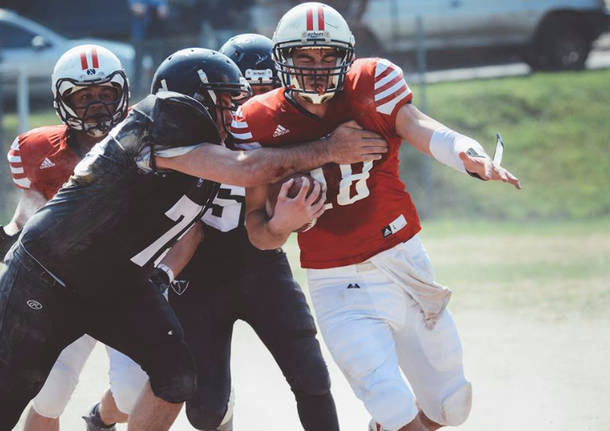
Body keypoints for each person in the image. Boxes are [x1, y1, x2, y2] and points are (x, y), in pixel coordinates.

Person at [0, 46, 387, 431]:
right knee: (16, 391)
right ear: (193, 99)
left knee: (176, 376)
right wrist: (329, 149)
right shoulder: (163, 117)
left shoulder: (200, 159)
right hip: (51, 273)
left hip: (114, 281)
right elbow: (248, 169)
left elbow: (195, 226)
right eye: (224, 101)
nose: (234, 113)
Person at [238, 3, 521, 431]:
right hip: (335, 281)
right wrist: (281, 224)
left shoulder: (371, 84)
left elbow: (423, 128)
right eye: (305, 57)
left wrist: (469, 154)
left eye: (328, 56)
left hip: (404, 261)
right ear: (283, 59)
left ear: (346, 57)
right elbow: (259, 234)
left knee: (452, 406)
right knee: (391, 403)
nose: (317, 68)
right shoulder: (256, 120)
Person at [82, 38, 341, 431]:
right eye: (240, 94)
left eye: (266, 90)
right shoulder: (169, 137)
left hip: (260, 266)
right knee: (205, 411)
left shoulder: (275, 131)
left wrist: (289, 220)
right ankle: (107, 416)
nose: (251, 104)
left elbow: (269, 229)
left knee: (311, 376)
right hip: (197, 278)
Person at [1, 44, 130, 431]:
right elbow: (24, 219)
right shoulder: (34, 151)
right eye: (84, 96)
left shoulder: (146, 144)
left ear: (122, 93)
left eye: (106, 94)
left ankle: (100, 419)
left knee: (132, 395)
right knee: (49, 395)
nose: (98, 105)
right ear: (62, 100)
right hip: (63, 291)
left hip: (128, 291)